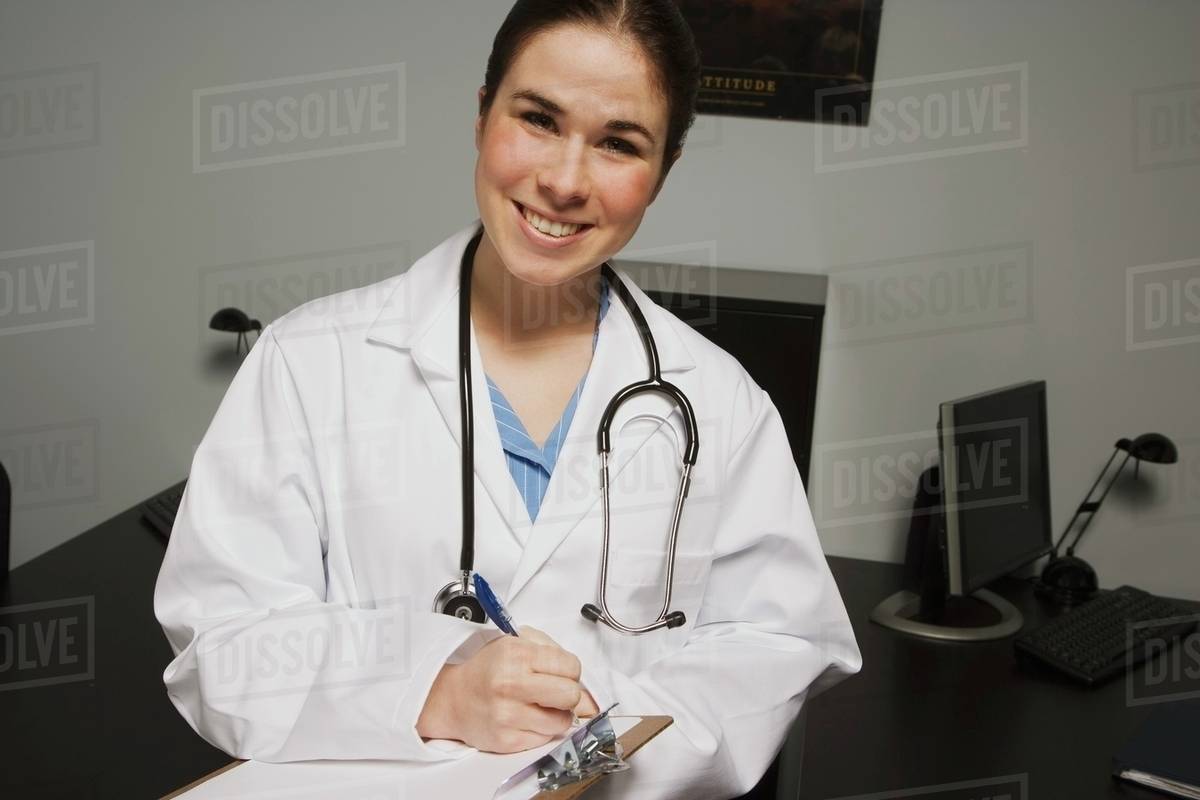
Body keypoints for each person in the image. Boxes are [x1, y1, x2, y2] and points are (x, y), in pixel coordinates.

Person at [153, 1, 862, 797]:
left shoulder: (720, 402)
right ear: (482, 114)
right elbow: (223, 642)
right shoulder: (308, 363)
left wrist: (597, 753)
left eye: (619, 143)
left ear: (663, 170)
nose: (563, 181)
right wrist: (431, 689)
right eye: (537, 119)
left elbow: (779, 641)